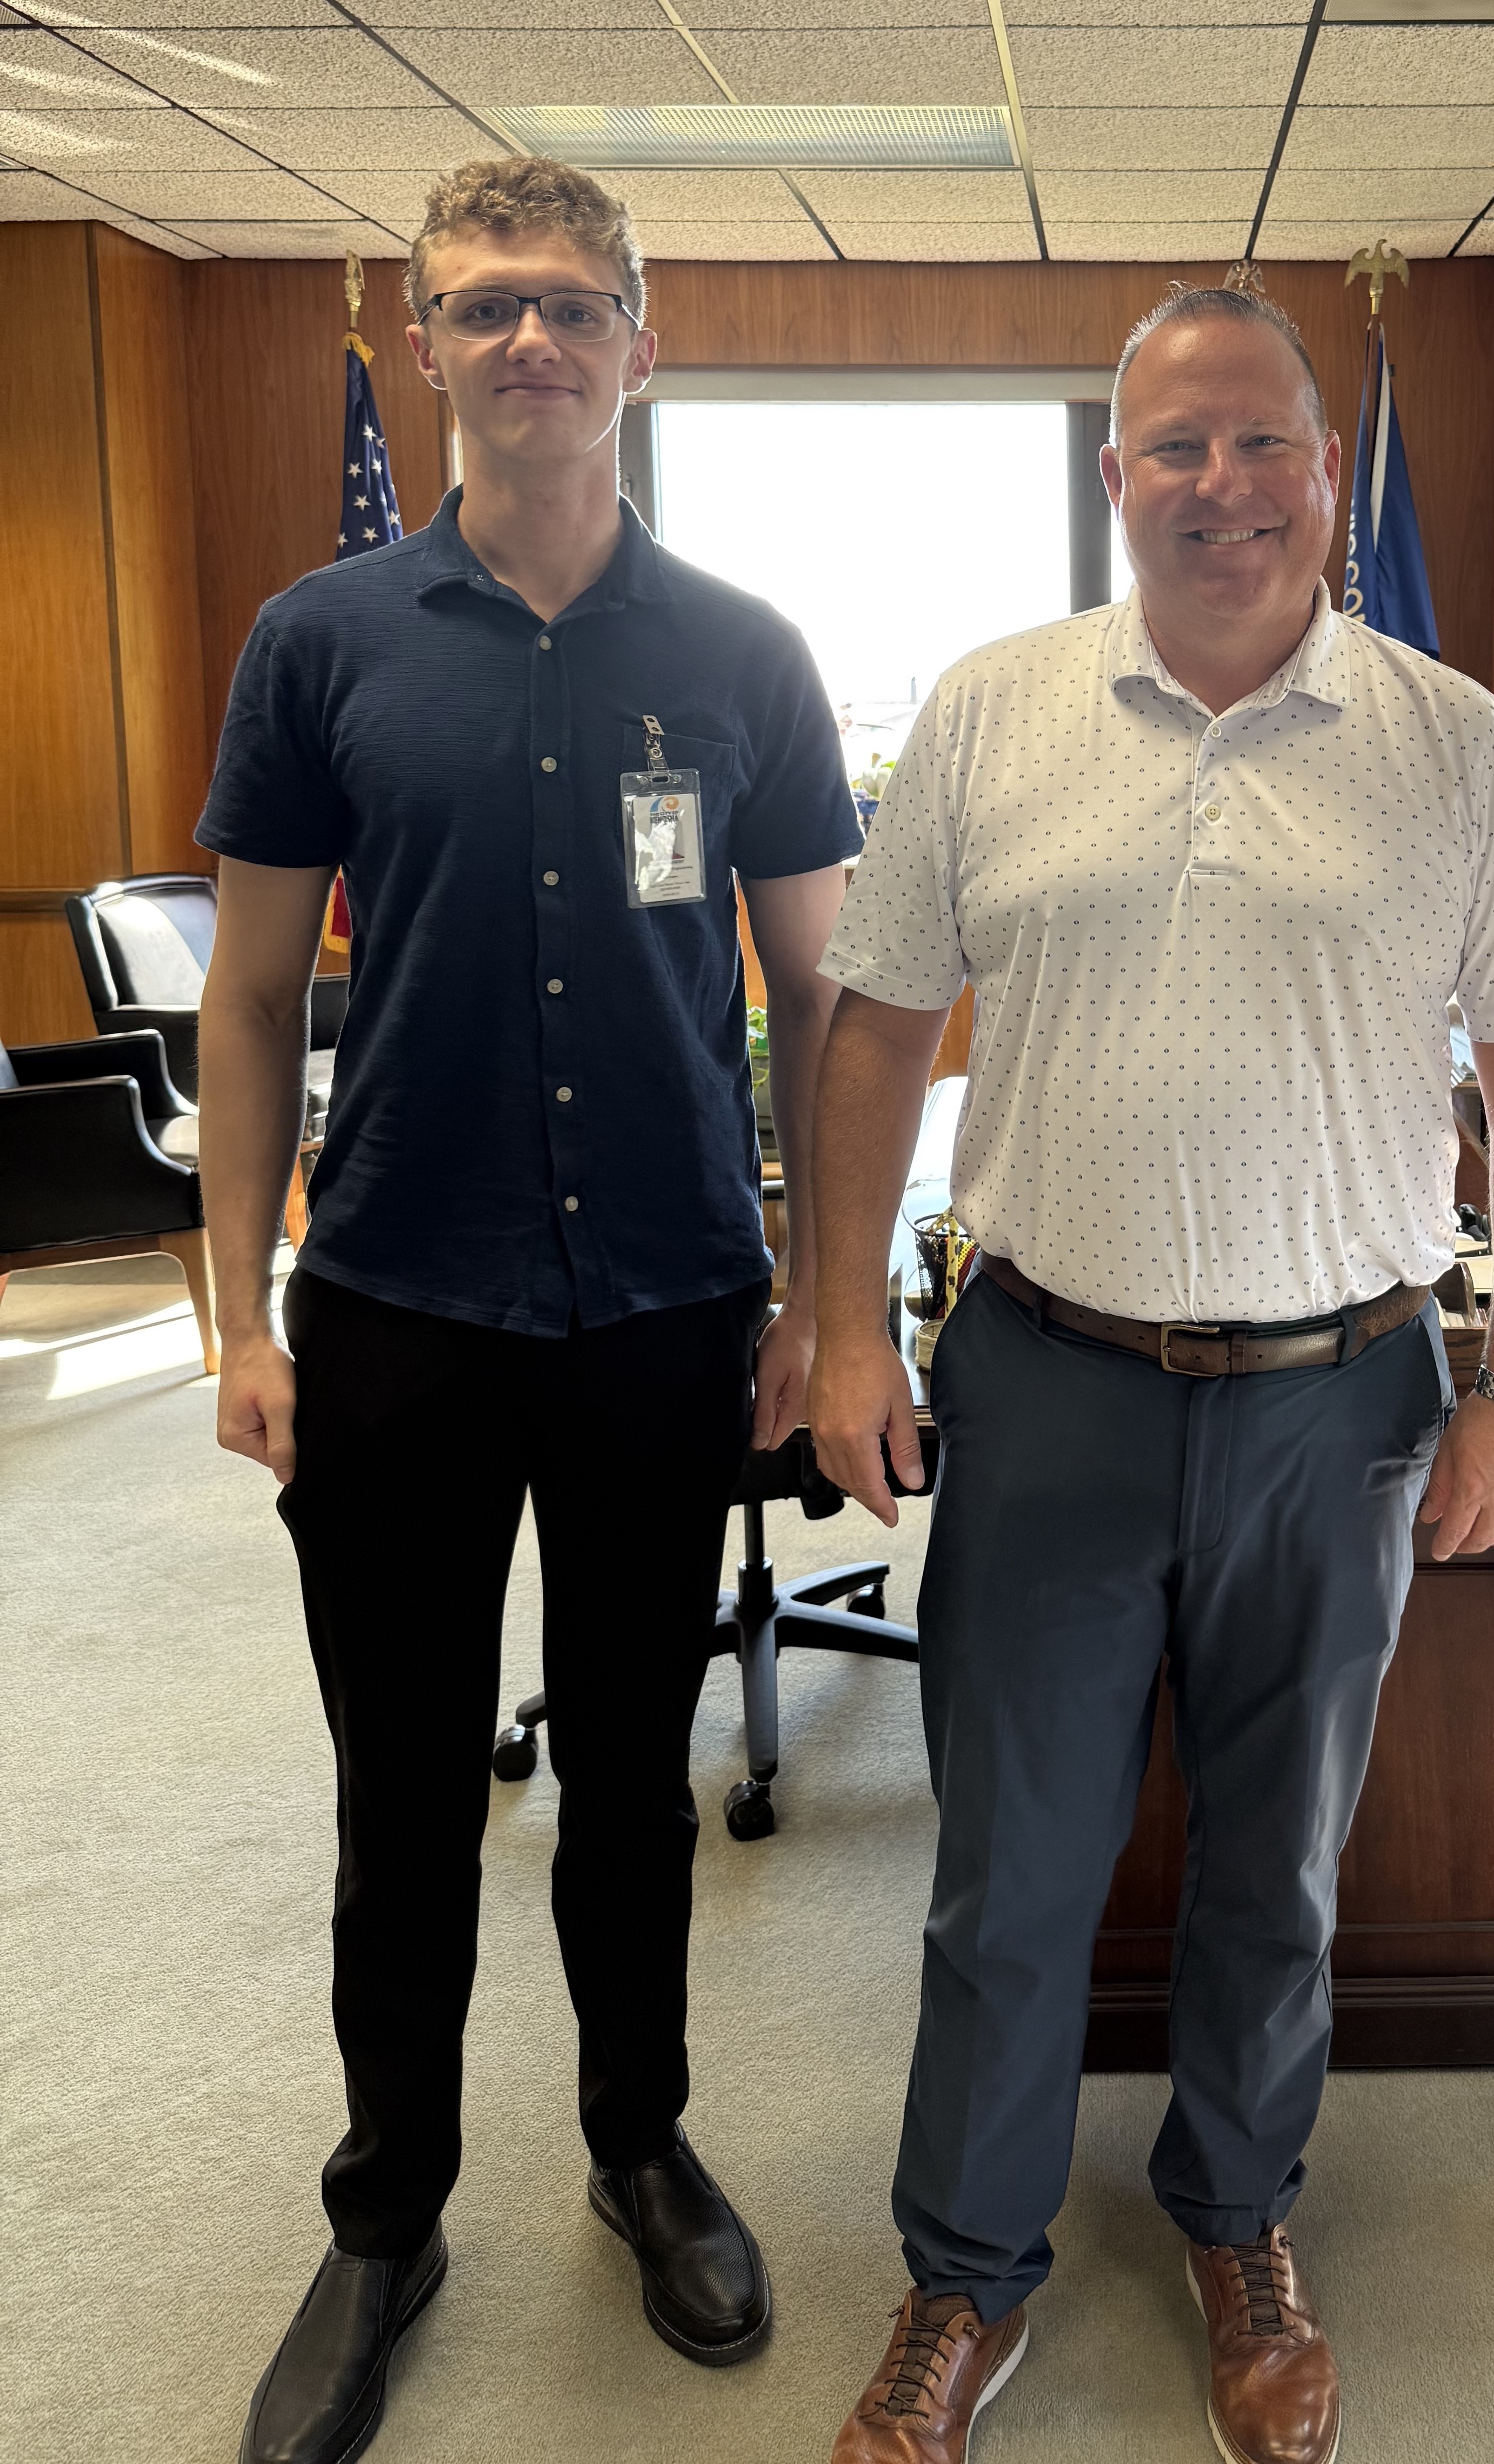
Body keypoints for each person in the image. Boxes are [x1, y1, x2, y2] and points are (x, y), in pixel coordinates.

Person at [806, 284, 1494, 2464]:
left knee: (1279, 1873)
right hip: (1050, 1379)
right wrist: (847, 1314)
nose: (1225, 486)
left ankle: (1239, 2220)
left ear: (1328, 475)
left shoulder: (1450, 737)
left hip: (1331, 1403)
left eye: (1266, 444)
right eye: (1181, 448)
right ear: (1116, 477)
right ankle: (964, 2277)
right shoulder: (990, 712)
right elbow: (875, 1029)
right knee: (1010, 1877)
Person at [197, 158, 860, 2464]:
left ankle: (638, 2143)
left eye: (574, 305)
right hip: (391, 1299)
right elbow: (257, 992)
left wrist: (823, 1295)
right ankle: (388, 2215)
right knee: (400, 1793)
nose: (531, 343)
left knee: (630, 1791)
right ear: (428, 348)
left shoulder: (747, 657)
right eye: (484, 307)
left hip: (667, 1306)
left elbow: (823, 996)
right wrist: (235, 1319)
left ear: (639, 348)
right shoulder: (325, 643)